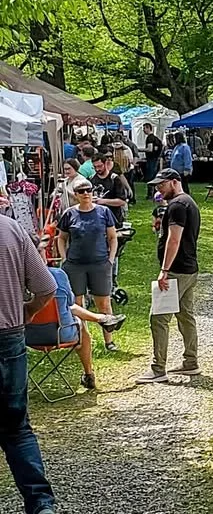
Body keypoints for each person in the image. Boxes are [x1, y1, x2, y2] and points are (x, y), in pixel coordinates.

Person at [0, 215, 58, 514]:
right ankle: (41, 505)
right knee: (17, 429)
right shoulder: (10, 228)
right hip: (9, 337)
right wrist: (29, 312)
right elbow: (47, 286)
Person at [35, 235, 125, 391]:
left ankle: (102, 318)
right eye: (42, 251)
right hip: (59, 333)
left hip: (25, 335)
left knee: (68, 311)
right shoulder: (57, 275)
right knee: (79, 324)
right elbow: (69, 305)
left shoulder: (13, 278)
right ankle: (88, 374)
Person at [137, 168, 201, 384]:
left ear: (174, 182)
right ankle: (191, 362)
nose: (158, 189)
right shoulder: (189, 202)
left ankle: (158, 369)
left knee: (158, 318)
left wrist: (164, 270)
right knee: (185, 316)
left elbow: (174, 239)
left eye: (161, 184)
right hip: (190, 268)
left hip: (176, 270)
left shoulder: (177, 206)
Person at [56, 178, 120, 351]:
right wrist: (64, 259)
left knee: (104, 303)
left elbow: (113, 238)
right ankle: (82, 340)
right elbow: (61, 238)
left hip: (100, 263)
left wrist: (110, 259)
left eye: (89, 190)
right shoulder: (69, 214)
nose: (86, 194)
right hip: (75, 265)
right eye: (82, 191)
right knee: (77, 304)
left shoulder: (104, 212)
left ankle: (109, 340)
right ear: (75, 195)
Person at [90, 153, 129, 226]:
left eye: (99, 166)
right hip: (96, 218)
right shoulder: (91, 179)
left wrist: (102, 201)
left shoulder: (114, 179)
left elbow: (122, 201)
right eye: (94, 167)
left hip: (113, 218)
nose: (97, 169)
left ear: (106, 163)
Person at [143, 123, 164, 196]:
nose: (143, 130)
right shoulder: (157, 139)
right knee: (155, 177)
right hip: (157, 159)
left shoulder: (150, 138)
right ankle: (156, 192)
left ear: (149, 128)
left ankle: (150, 194)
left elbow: (150, 149)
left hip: (151, 159)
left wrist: (138, 150)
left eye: (144, 128)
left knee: (150, 177)